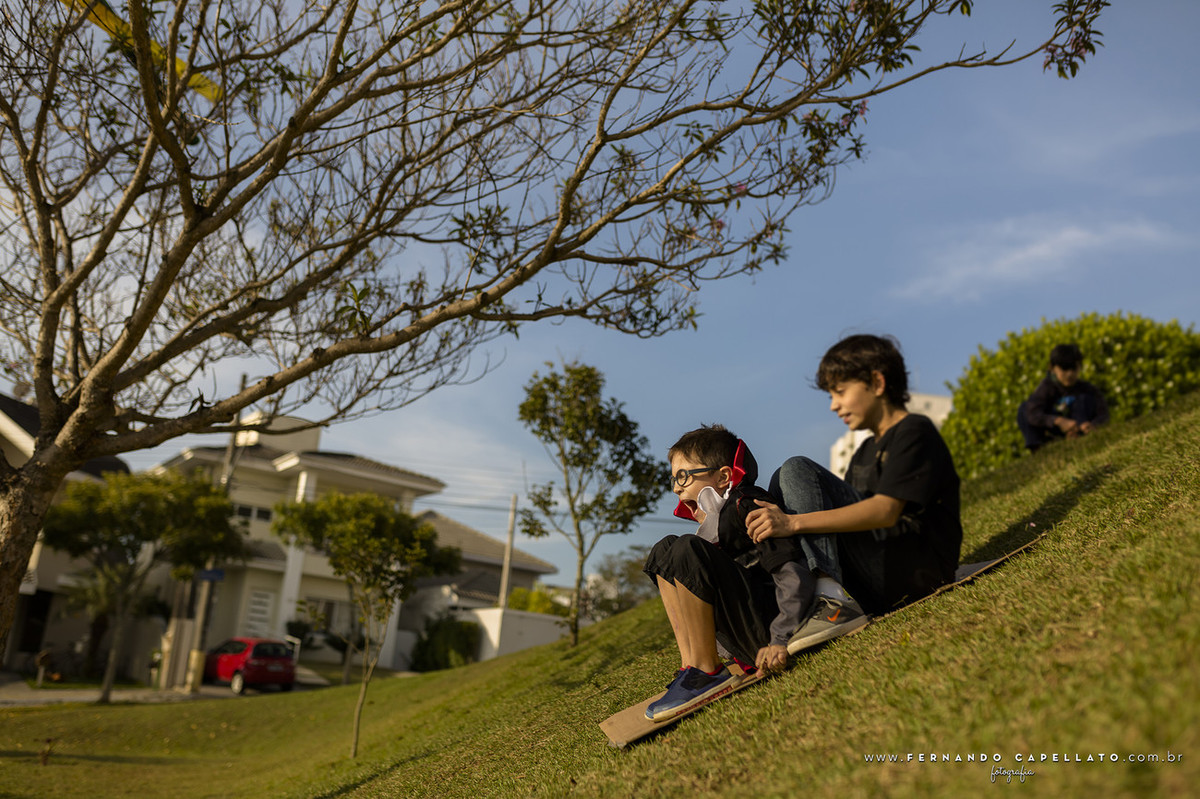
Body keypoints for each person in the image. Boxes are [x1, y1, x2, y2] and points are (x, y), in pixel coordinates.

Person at [746, 333, 963, 622]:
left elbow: (885, 511)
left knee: (797, 468)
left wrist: (793, 522)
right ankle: (799, 600)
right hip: (873, 575)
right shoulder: (864, 452)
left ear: (877, 383)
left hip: (915, 573)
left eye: (840, 391)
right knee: (779, 483)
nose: (834, 405)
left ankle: (830, 600)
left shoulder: (914, 431)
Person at [641, 425, 823, 721]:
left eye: (683, 477)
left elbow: (793, 575)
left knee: (688, 548)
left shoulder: (748, 506)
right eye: (673, 479)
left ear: (723, 476)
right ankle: (692, 667)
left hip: (775, 632)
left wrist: (781, 638)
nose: (676, 488)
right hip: (749, 636)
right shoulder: (717, 526)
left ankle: (705, 672)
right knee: (665, 549)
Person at [1016, 343, 1109, 452]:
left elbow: (1104, 414)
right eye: (1064, 369)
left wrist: (1093, 425)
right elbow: (1032, 413)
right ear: (1052, 368)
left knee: (1084, 398)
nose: (1070, 374)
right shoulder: (1046, 387)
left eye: (1074, 368)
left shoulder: (1087, 389)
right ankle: (1038, 448)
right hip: (1054, 430)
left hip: (1079, 427)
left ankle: (1078, 436)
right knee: (1024, 408)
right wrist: (1057, 421)